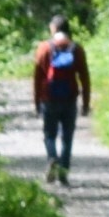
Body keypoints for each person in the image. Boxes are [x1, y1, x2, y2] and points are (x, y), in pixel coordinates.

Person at [30, 20, 94, 185]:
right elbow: (84, 78)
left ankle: (52, 158)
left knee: (49, 135)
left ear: (54, 29)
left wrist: (36, 102)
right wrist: (86, 103)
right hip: (70, 99)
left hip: (49, 98)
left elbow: (37, 77)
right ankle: (63, 174)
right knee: (67, 137)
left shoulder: (44, 48)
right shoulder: (76, 49)